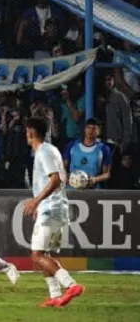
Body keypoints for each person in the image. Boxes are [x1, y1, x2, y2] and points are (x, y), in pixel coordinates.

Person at [24, 116, 83, 308]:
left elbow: (56, 179)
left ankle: (71, 285)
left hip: (51, 208)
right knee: (46, 254)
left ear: (31, 132)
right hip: (54, 208)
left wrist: (36, 201)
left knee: (37, 255)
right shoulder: (52, 150)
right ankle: (55, 295)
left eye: (27, 131)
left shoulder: (43, 152)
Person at [64, 118, 112, 188]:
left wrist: (95, 179)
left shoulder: (103, 149)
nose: (90, 131)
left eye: (94, 128)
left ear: (98, 131)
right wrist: (66, 176)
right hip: (72, 187)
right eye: (88, 128)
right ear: (85, 129)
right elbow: (62, 167)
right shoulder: (72, 145)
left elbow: (107, 174)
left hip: (92, 188)